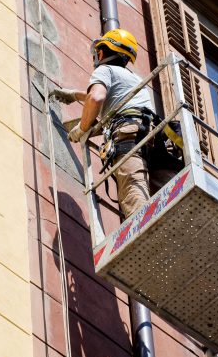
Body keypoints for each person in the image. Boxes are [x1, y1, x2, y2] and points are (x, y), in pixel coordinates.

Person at [50, 29, 179, 219]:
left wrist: (82, 128)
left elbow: (96, 98)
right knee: (167, 198)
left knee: (134, 191)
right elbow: (112, 97)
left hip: (129, 134)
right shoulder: (134, 78)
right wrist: (75, 95)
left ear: (101, 53)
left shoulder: (104, 70)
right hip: (153, 134)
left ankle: (142, 228)